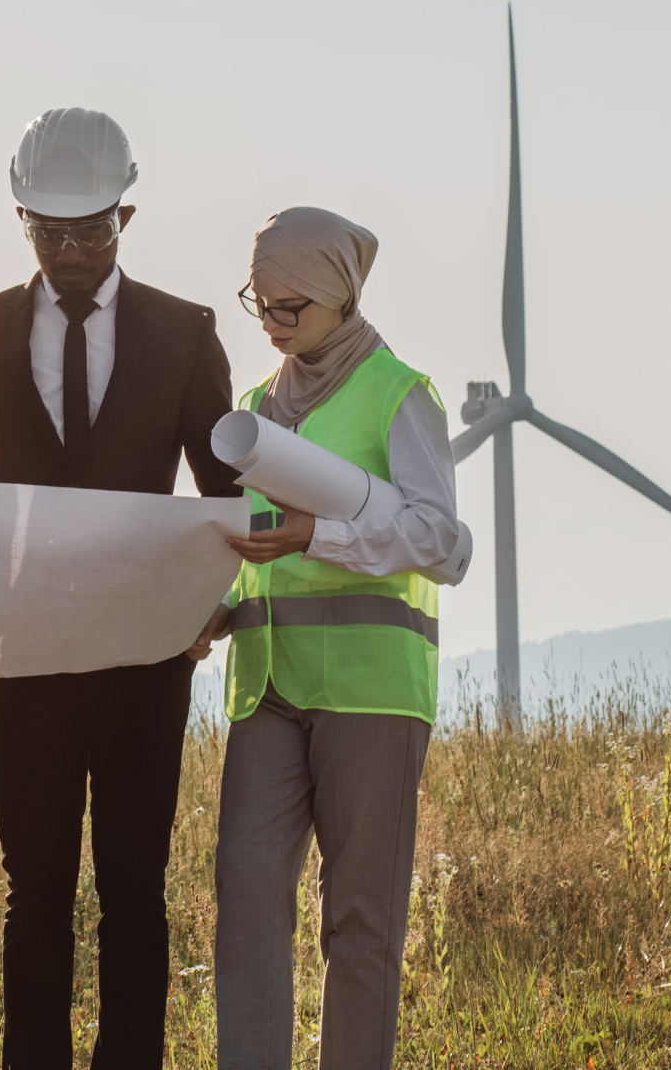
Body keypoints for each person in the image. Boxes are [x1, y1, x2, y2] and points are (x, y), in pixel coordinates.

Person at [0, 108, 241, 1070]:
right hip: (22, 661)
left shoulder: (189, 335)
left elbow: (224, 489)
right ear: (19, 217)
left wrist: (211, 608)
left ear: (127, 215)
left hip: (148, 656)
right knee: (36, 893)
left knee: (135, 891)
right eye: (47, 230)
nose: (68, 249)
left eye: (88, 230)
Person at [192, 207, 474, 1070]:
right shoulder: (253, 409)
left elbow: (445, 542)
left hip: (371, 692)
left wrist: (324, 534)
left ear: (342, 298)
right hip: (267, 685)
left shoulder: (400, 394)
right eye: (261, 303)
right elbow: (253, 543)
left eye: (291, 308)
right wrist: (206, 601)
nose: (274, 324)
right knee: (244, 896)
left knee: (359, 918)